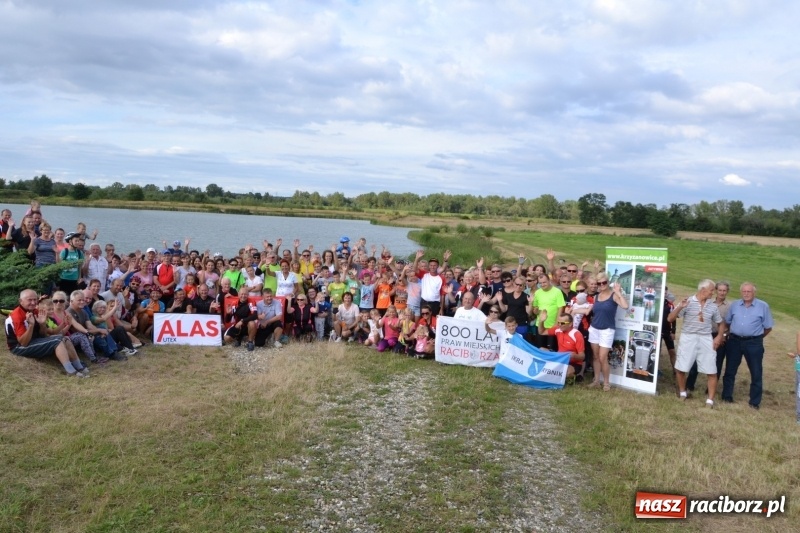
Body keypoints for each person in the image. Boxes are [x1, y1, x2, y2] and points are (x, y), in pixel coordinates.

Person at [668, 279, 726, 407]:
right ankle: (683, 393)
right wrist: (680, 308)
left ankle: (710, 400)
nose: (713, 293)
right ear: (703, 290)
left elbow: (720, 323)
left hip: (706, 338)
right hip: (688, 337)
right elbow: (670, 318)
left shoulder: (712, 305)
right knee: (681, 366)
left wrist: (719, 337)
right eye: (711, 290)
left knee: (711, 369)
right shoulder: (687, 302)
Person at [5, 289, 89, 377]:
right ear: (20, 301)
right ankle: (71, 371)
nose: (33, 302)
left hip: (34, 340)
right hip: (18, 347)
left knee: (65, 338)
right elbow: (23, 343)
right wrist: (31, 326)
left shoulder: (35, 311)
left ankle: (79, 366)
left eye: (35, 299)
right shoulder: (17, 316)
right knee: (57, 340)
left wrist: (42, 325)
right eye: (29, 300)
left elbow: (43, 334)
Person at [722, 282, 774, 410]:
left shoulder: (763, 306)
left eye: (748, 291)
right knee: (730, 370)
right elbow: (727, 322)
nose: (746, 294)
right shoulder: (734, 305)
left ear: (754, 293)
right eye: (744, 291)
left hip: (753, 343)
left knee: (756, 371)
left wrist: (756, 338)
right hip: (734, 341)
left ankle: (754, 402)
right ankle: (726, 396)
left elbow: (768, 327)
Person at [587, 271, 629, 391]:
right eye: (599, 283)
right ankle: (596, 380)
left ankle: (606, 382)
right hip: (594, 328)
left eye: (604, 282)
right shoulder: (596, 297)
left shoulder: (613, 295)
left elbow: (625, 306)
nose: (601, 285)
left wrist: (618, 292)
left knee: (602, 357)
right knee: (595, 356)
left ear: (608, 282)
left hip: (607, 330)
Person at [537, 309, 586, 380]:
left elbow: (582, 356)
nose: (559, 325)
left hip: (573, 363)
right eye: (559, 322)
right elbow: (541, 332)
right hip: (559, 358)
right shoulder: (558, 329)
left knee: (567, 373)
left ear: (570, 324)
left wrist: (573, 356)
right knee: (541, 349)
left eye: (562, 323)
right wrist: (541, 322)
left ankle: (575, 376)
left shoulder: (577, 335)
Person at [531, 273, 565, 350]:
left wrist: (556, 323)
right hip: (540, 325)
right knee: (540, 348)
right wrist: (535, 310)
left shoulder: (557, 291)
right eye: (540, 283)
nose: (542, 284)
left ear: (549, 281)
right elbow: (536, 310)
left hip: (552, 325)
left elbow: (560, 308)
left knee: (551, 349)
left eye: (544, 282)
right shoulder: (537, 292)